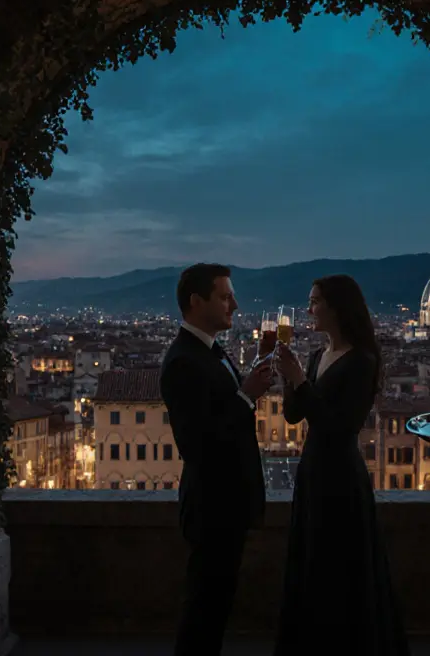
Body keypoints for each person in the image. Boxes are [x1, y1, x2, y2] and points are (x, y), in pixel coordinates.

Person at [270, 274, 411, 656]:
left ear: (336, 307)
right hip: (314, 470)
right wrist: (290, 377)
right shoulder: (318, 356)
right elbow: (295, 416)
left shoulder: (362, 362)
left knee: (337, 565)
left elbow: (339, 426)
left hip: (340, 474)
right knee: (314, 560)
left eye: (315, 301)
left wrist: (300, 380)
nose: (308, 309)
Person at [160, 263, 274, 656]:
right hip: (212, 507)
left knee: (214, 608)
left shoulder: (210, 351)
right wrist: (247, 396)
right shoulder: (182, 362)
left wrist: (252, 375)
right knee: (203, 611)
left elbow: (225, 405)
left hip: (227, 504)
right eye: (225, 296)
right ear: (196, 301)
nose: (236, 305)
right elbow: (196, 443)